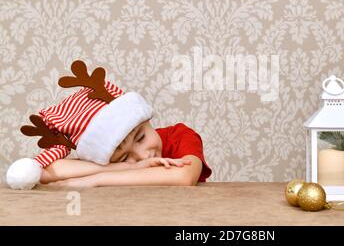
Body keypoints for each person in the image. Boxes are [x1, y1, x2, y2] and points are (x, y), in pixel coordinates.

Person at [6, 60, 211, 189]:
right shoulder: (112, 162)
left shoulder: (180, 135)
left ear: (146, 120)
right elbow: (50, 170)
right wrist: (130, 167)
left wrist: (97, 179)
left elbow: (184, 177)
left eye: (140, 137)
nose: (142, 155)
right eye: (123, 156)